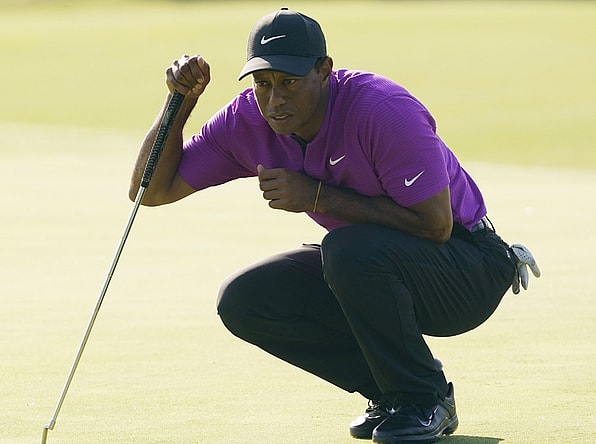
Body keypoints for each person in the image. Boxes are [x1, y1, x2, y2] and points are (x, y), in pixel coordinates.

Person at [129, 8, 541, 444]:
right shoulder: (246, 119)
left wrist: (316, 196)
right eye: (263, 84)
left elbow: (435, 225)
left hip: (466, 268)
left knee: (347, 251)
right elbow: (151, 190)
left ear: (324, 71)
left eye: (289, 82)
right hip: (375, 265)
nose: (274, 100)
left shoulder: (381, 109)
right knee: (245, 298)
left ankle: (426, 399)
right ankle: (393, 395)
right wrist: (180, 102)